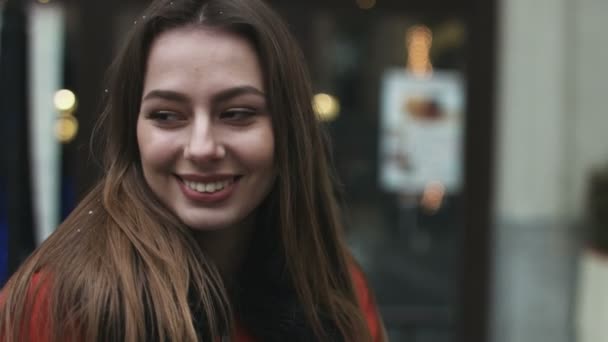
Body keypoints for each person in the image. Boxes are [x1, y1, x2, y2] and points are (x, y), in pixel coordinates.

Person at [0, 0, 386, 341]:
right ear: (133, 133)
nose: (202, 147)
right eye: (167, 116)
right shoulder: (58, 304)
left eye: (237, 114)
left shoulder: (338, 291)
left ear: (288, 129)